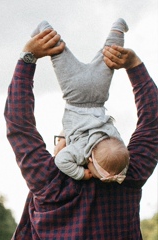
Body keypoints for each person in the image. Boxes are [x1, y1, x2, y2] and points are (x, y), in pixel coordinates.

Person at [4, 29, 158, 239]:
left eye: (61, 138)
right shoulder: (128, 177)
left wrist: (28, 58)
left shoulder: (50, 183)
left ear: (75, 150)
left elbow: (19, 126)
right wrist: (134, 67)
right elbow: (153, 125)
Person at [31, 19, 130, 182]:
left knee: (110, 55)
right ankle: (44, 29)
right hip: (75, 95)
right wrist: (80, 174)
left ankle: (118, 29)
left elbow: (121, 160)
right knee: (59, 54)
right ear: (89, 159)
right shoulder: (82, 149)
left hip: (98, 95)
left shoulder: (116, 141)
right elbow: (60, 160)